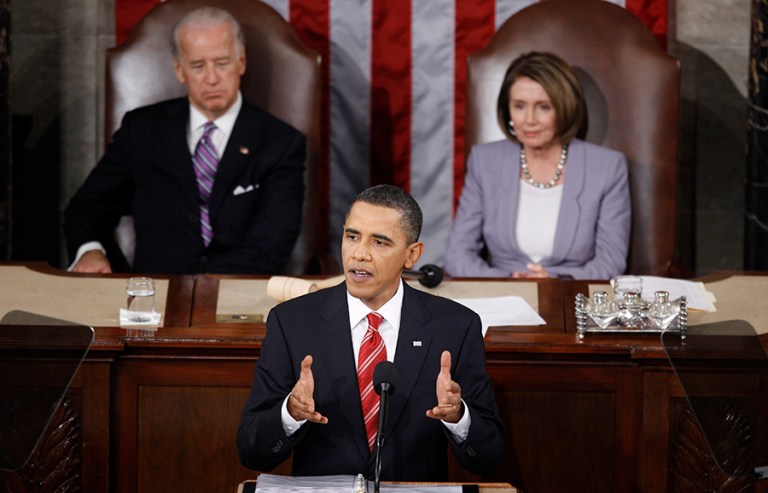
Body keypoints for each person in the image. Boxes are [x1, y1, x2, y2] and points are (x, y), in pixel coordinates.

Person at [237, 185, 504, 480]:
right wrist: (291, 413)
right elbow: (251, 451)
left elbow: (489, 457)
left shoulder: (455, 327)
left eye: (379, 242)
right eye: (352, 237)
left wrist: (458, 417)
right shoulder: (292, 323)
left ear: (412, 254)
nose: (359, 254)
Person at [63, 7, 305, 275]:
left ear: (241, 62)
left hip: (238, 289)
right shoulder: (142, 130)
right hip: (153, 290)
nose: (212, 78)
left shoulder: (281, 143)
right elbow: (87, 207)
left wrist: (201, 286)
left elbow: (271, 245)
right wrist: (91, 251)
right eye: (198, 66)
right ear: (179, 70)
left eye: (222, 63)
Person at [444, 52, 630, 280]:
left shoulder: (607, 167)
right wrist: (505, 280)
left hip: (569, 293)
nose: (529, 120)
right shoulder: (485, 161)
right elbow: (457, 256)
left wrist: (554, 281)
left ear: (564, 108)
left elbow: (610, 262)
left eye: (543, 107)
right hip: (502, 291)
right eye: (519, 106)